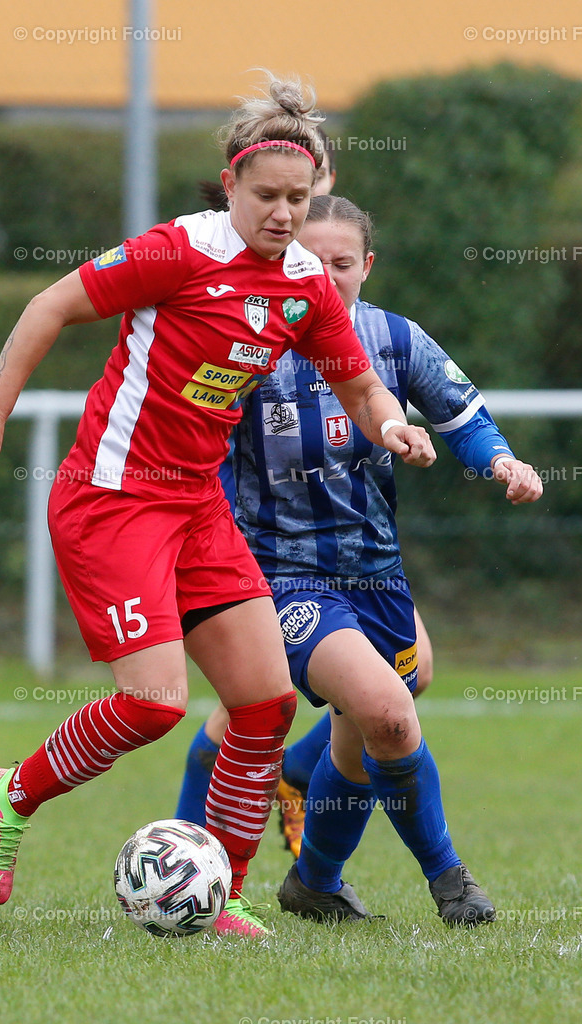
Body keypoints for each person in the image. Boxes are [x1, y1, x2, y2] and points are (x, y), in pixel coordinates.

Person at [0, 75, 437, 939]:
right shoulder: (178, 252)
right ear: (232, 185)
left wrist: (391, 424)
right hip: (112, 499)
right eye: (267, 196)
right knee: (156, 704)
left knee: (263, 703)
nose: (283, 213)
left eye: (299, 197)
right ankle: (8, 793)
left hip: (197, 505)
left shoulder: (308, 284)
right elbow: (49, 303)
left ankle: (223, 893)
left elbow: (355, 380)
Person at [180, 194, 543, 926]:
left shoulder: (391, 338)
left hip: (375, 573)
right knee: (385, 710)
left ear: (365, 266)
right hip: (277, 577)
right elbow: (199, 450)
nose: (327, 275)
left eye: (342, 263)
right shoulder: (248, 344)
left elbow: (461, 414)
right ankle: (448, 879)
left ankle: (312, 878)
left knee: (373, 709)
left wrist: (500, 461)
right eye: (310, 262)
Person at [176, 134, 436, 857]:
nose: (323, 272)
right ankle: (196, 860)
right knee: (255, 707)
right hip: (255, 552)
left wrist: (412, 432)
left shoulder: (363, 326)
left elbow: (386, 395)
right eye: (276, 193)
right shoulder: (237, 311)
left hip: (361, 563)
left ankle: (289, 787)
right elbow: (205, 434)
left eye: (340, 263)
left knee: (407, 676)